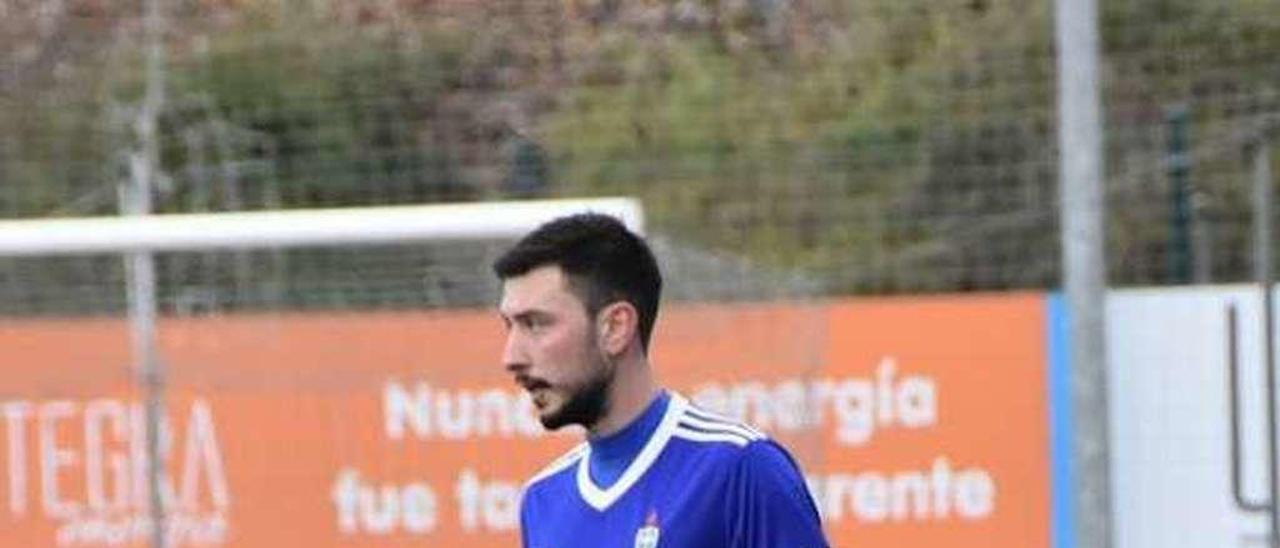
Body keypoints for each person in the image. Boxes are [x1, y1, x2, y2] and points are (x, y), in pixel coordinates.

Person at [493, 212, 829, 548]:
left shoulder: (739, 468)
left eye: (536, 324)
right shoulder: (542, 501)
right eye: (510, 326)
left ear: (615, 327)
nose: (511, 357)